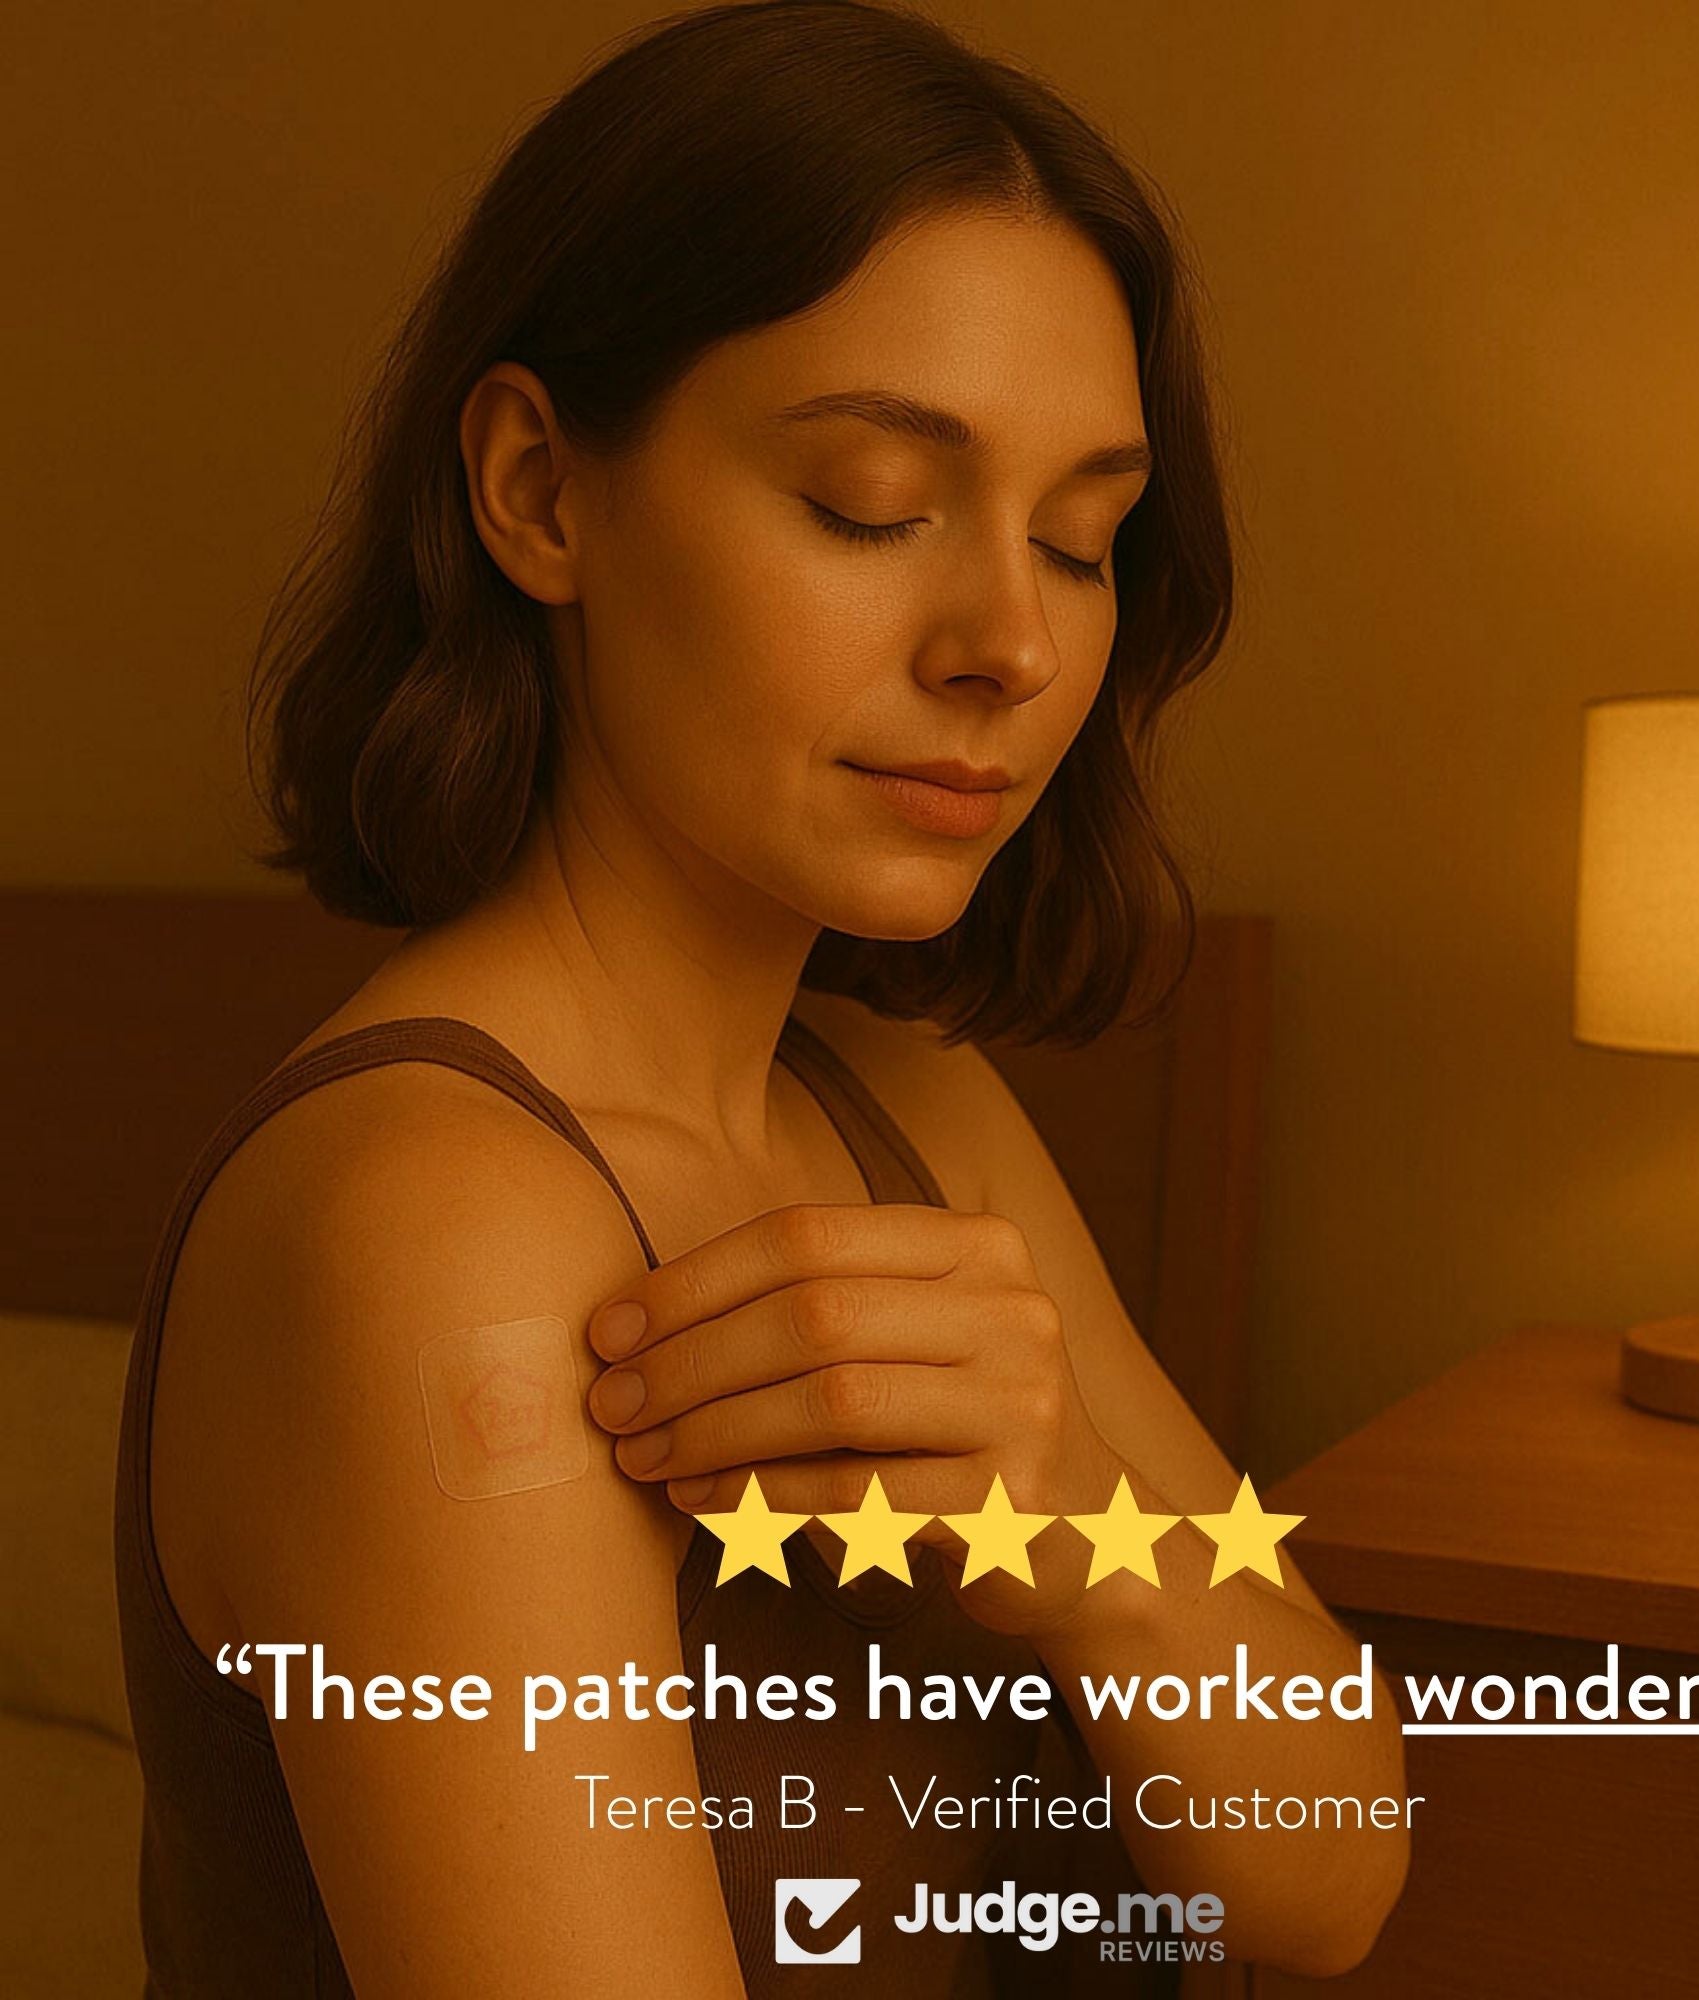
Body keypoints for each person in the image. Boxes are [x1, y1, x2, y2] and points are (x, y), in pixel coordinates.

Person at [113, 2, 1410, 1992]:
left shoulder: (900, 1092)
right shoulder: (435, 1230)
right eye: (874, 504)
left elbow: (1328, 1874)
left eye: (1081, 540)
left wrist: (1081, 1541)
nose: (1007, 641)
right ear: (541, 489)